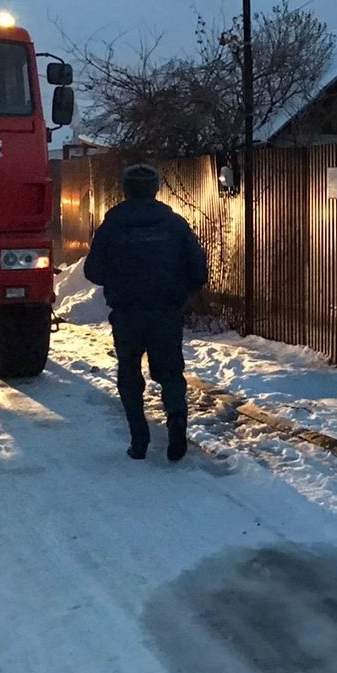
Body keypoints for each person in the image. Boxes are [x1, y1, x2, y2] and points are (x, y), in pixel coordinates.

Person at [83, 164, 208, 461]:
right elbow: (198, 269)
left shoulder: (113, 224)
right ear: (156, 189)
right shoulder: (173, 223)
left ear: (126, 189)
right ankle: (176, 422)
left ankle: (139, 441)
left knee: (129, 373)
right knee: (171, 373)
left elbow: (93, 270)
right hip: (166, 310)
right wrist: (180, 290)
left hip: (127, 313)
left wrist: (118, 279)